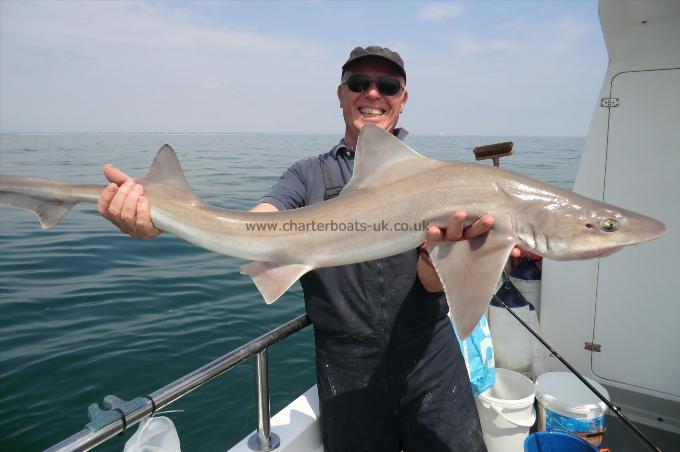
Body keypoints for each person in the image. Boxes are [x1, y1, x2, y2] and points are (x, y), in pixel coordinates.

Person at [98, 46, 514, 451]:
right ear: (340, 94)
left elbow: (429, 282)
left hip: (431, 362)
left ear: (402, 100)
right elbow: (257, 226)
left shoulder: (440, 182)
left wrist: (451, 257)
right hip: (347, 371)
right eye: (358, 82)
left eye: (387, 85)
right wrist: (163, 220)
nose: (372, 93)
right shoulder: (305, 176)